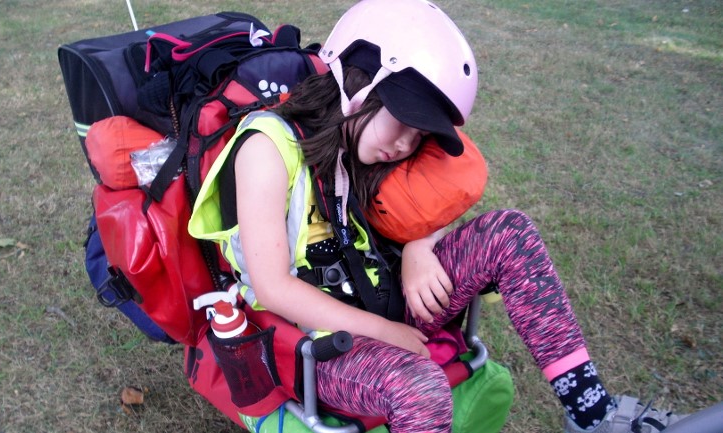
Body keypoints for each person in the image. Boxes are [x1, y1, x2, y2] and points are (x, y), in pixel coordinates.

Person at [189, 0, 686, 431]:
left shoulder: (362, 140)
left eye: (420, 135)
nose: (406, 145)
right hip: (312, 344)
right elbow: (274, 288)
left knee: (509, 233)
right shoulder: (267, 148)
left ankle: (591, 414)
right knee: (420, 387)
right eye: (404, 122)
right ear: (359, 82)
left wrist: (418, 246)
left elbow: (428, 205)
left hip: (380, 295)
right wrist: (390, 334)